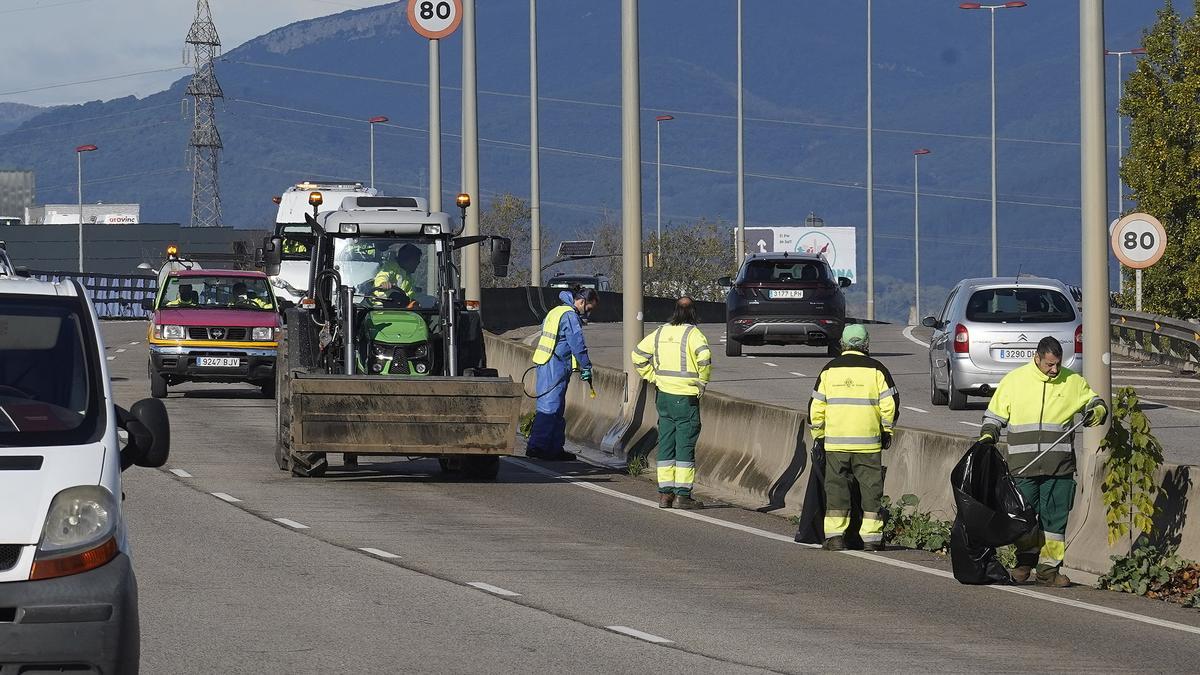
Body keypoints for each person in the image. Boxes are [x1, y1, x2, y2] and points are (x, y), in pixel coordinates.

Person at [978, 336, 1107, 587]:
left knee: (1055, 524)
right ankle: (1025, 562)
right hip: (1022, 466)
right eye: (1049, 364)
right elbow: (994, 415)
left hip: (1059, 468)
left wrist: (1098, 411)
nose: (1054, 369)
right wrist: (988, 435)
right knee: (1022, 518)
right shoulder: (1015, 381)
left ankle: (1049, 571)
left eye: (1057, 364)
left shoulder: (1072, 381)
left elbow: (1094, 401)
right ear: (1037, 358)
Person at [808, 324, 898, 551]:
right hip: (868, 444)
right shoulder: (877, 370)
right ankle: (871, 539)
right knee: (871, 490)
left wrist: (818, 435)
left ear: (842, 343)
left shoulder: (829, 370)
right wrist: (887, 431)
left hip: (836, 443)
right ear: (866, 344)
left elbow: (815, 408)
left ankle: (836, 537)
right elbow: (891, 405)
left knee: (836, 489)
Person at [631, 296, 712, 509]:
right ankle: (682, 495)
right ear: (693, 312)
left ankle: (665, 494)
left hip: (664, 397)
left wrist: (653, 376)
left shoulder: (660, 332)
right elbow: (705, 358)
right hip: (685, 398)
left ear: (675, 311)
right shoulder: (694, 334)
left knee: (666, 443)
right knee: (684, 445)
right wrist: (702, 382)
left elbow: (637, 355)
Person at [527, 287, 598, 461]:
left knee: (556, 407)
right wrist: (586, 366)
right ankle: (538, 448)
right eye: (588, 309)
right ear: (581, 302)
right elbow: (577, 343)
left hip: (549, 362)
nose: (588, 314)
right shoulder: (570, 316)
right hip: (555, 364)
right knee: (550, 408)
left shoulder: (556, 311)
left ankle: (553, 447)